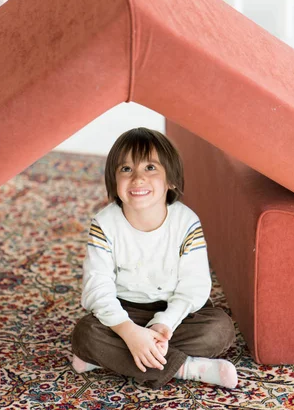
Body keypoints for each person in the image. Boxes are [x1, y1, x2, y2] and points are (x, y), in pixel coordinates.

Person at [71, 127, 237, 389]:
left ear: (171, 180)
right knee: (85, 334)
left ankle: (110, 358)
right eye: (126, 169)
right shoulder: (104, 224)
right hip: (124, 310)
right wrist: (129, 332)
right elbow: (96, 287)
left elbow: (194, 287)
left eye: (150, 168)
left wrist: (164, 324)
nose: (137, 178)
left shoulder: (186, 223)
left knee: (220, 329)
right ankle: (185, 367)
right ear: (113, 181)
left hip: (174, 313)